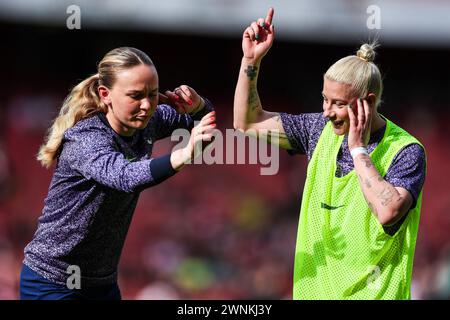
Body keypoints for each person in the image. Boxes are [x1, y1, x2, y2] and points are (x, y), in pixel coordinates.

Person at [233, 8, 426, 299]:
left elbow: (388, 212)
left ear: (369, 102)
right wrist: (251, 60)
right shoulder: (317, 130)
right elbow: (247, 122)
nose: (326, 112)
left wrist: (358, 149)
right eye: (325, 99)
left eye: (337, 103)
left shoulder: (406, 151)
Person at [20, 47, 216, 300]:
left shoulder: (149, 120)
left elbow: (205, 122)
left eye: (153, 94)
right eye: (135, 95)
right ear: (106, 94)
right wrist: (185, 154)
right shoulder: (86, 138)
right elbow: (124, 177)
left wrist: (198, 106)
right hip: (52, 282)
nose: (146, 105)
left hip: (102, 285)